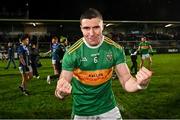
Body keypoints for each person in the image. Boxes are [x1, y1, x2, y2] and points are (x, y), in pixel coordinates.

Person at [55, 8, 152, 120]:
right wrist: (61, 93)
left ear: (103, 27)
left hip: (108, 107)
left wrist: (140, 84)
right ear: (81, 29)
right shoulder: (72, 54)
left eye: (96, 27)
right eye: (86, 28)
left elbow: (126, 81)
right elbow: (61, 87)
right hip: (82, 110)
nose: (91, 33)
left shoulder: (115, 49)